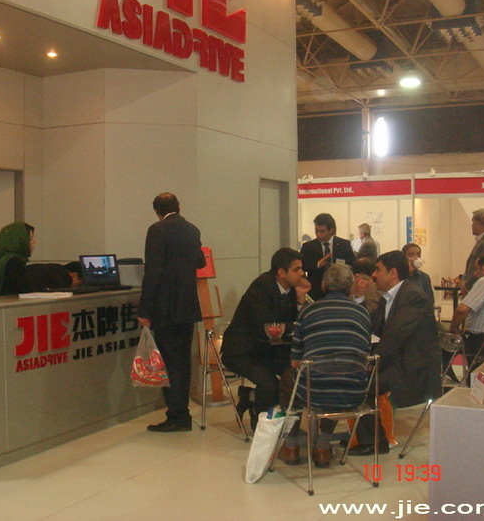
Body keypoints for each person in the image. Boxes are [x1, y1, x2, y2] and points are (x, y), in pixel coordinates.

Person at [280, 264, 371, 467]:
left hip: (315, 391)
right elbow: (365, 355)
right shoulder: (362, 313)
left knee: (289, 378)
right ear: (351, 287)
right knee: (340, 374)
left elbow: (295, 362)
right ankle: (322, 446)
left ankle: (292, 446)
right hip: (354, 391)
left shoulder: (308, 312)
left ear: (323, 286)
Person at [351, 251, 441, 456]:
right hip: (396, 362)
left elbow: (395, 336)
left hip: (412, 370)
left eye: (377, 270)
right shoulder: (390, 297)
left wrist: (373, 364)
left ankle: (375, 441)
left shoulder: (412, 295)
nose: (373, 275)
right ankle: (359, 438)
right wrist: (359, 298)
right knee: (355, 378)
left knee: (361, 384)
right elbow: (373, 327)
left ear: (392, 272)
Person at [221, 248, 311, 431]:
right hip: (244, 351)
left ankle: (288, 426)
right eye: (296, 269)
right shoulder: (261, 288)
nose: (302, 274)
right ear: (281, 272)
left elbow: (288, 324)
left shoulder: (292, 290)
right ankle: (262, 422)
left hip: (271, 348)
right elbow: (268, 327)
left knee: (296, 376)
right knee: (270, 385)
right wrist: (294, 325)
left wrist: (301, 301)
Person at [138, 193, 205, 433]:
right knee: (183, 362)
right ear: (178, 207)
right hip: (187, 306)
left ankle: (177, 415)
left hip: (165, 307)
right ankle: (181, 413)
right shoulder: (192, 230)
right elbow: (200, 262)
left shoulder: (157, 230)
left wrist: (145, 309)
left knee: (169, 362)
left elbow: (153, 272)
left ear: (156, 211)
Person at [301, 213, 355, 300]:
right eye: (316, 231)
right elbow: (303, 267)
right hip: (316, 291)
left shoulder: (344, 245)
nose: (318, 234)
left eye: (322, 231)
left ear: (331, 230)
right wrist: (317, 264)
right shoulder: (308, 247)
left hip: (341, 290)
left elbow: (352, 265)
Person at [0, 221, 35, 296]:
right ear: (19, 240)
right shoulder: (13, 262)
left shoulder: (3, 259)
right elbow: (22, 290)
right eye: (30, 239)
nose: (34, 241)